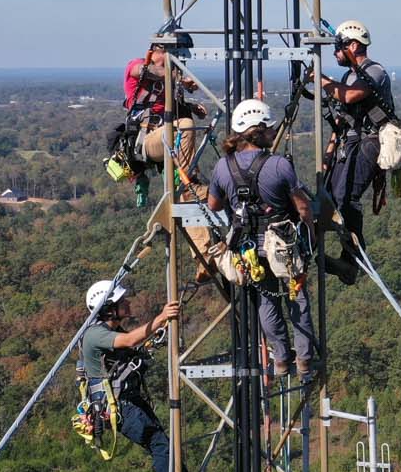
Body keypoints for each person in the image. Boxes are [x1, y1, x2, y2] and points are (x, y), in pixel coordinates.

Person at [80, 279, 222, 472]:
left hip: (128, 402)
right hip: (120, 406)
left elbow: (131, 344)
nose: (127, 302)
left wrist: (156, 331)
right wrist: (161, 318)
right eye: (121, 300)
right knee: (161, 447)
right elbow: (129, 341)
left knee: (165, 446)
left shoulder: (110, 330)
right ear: (108, 308)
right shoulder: (95, 334)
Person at [205, 98, 320, 386]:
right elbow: (302, 207)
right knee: (298, 298)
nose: (273, 133)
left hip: (247, 249)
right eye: (269, 128)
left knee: (266, 302)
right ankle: (304, 360)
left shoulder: (223, 167)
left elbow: (214, 205)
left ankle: (281, 358)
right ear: (258, 130)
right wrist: (309, 234)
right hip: (281, 245)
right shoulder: (278, 165)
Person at [316, 19, 398, 284]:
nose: (335, 53)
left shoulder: (374, 72)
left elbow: (350, 96)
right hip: (351, 142)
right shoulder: (349, 76)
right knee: (329, 194)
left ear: (353, 45)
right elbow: (343, 113)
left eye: (338, 48)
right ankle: (338, 252)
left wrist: (318, 79)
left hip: (371, 141)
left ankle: (351, 260)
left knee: (345, 196)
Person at [123, 42, 202, 188]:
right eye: (177, 55)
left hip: (162, 135)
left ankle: (191, 178)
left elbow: (168, 106)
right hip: (144, 140)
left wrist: (191, 107)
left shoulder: (167, 79)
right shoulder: (137, 64)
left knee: (185, 120)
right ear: (163, 51)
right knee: (185, 126)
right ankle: (187, 186)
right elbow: (144, 71)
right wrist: (178, 78)